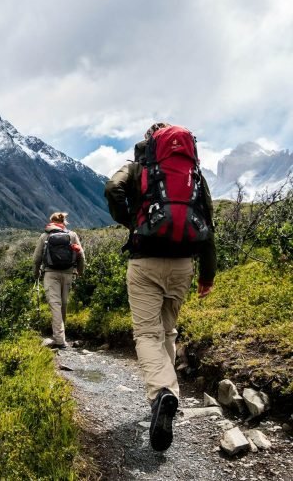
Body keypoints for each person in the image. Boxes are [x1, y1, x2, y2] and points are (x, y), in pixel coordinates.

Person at [104, 122, 216, 451]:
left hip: (146, 261)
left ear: (150, 141)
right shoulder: (193, 174)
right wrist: (207, 275)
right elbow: (207, 222)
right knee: (167, 331)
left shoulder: (139, 167)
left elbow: (112, 189)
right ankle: (167, 395)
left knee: (146, 334)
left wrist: (131, 220)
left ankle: (162, 393)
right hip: (183, 264)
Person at [33, 212, 85, 349]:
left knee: (55, 304)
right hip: (68, 274)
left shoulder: (45, 236)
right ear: (64, 222)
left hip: (50, 274)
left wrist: (36, 274)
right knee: (63, 304)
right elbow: (81, 255)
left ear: (51, 221)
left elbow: (36, 258)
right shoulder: (72, 235)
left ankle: (60, 340)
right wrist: (80, 272)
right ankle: (61, 336)